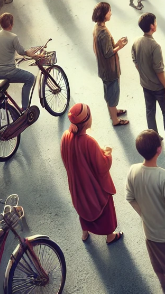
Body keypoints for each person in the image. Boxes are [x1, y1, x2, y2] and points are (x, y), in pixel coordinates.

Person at [127, 130, 165, 294]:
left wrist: (144, 214)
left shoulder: (132, 171)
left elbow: (130, 198)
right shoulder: (164, 177)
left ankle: (163, 284)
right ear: (159, 149)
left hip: (150, 233)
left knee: (157, 261)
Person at [60, 103, 125, 245]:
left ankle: (85, 232)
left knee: (82, 205)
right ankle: (110, 236)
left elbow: (68, 157)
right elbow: (102, 167)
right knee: (104, 206)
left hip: (77, 183)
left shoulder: (66, 136)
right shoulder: (89, 142)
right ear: (87, 120)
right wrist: (107, 154)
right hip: (92, 186)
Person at [132, 13, 165, 148]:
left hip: (145, 85)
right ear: (152, 26)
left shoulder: (136, 42)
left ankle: (153, 138)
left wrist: (144, 75)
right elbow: (159, 70)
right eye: (155, 22)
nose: (156, 24)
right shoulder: (155, 46)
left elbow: (136, 62)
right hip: (158, 87)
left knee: (150, 110)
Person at [0, 13, 38, 112]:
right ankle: (25, 108)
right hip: (9, 72)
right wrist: (28, 53)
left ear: (0, 23)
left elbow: (0, 51)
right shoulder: (13, 37)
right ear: (11, 25)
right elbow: (21, 51)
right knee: (30, 78)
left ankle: (10, 107)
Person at [92, 2, 128, 127]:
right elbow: (108, 53)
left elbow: (104, 48)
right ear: (103, 14)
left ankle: (113, 112)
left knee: (108, 93)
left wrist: (116, 43)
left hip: (103, 69)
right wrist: (120, 47)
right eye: (109, 11)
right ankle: (115, 120)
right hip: (110, 70)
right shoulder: (104, 33)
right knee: (113, 93)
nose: (111, 13)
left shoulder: (98, 28)